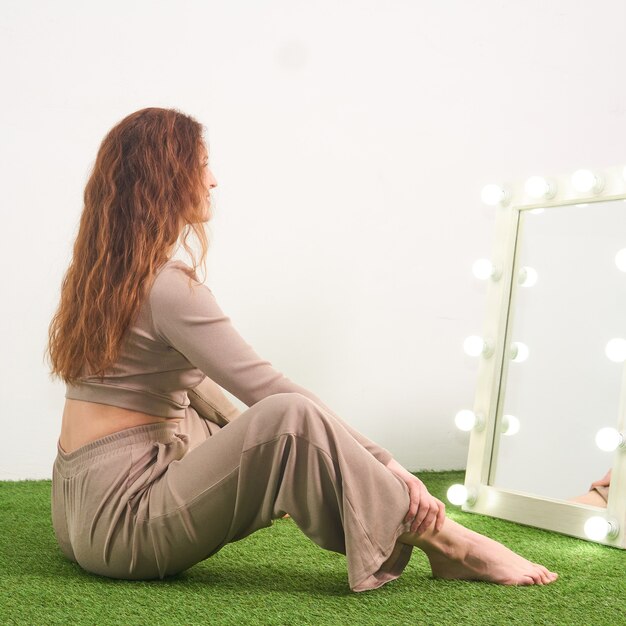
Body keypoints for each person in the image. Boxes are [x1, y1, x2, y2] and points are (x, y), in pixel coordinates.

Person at [45, 107, 558, 592]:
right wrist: (388, 465)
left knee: (213, 404)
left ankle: (351, 491)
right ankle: (449, 543)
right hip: (123, 526)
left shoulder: (99, 275)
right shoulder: (168, 288)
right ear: (168, 179)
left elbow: (204, 387)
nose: (214, 180)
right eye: (203, 166)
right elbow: (269, 390)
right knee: (287, 416)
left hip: (76, 510)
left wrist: (314, 459)